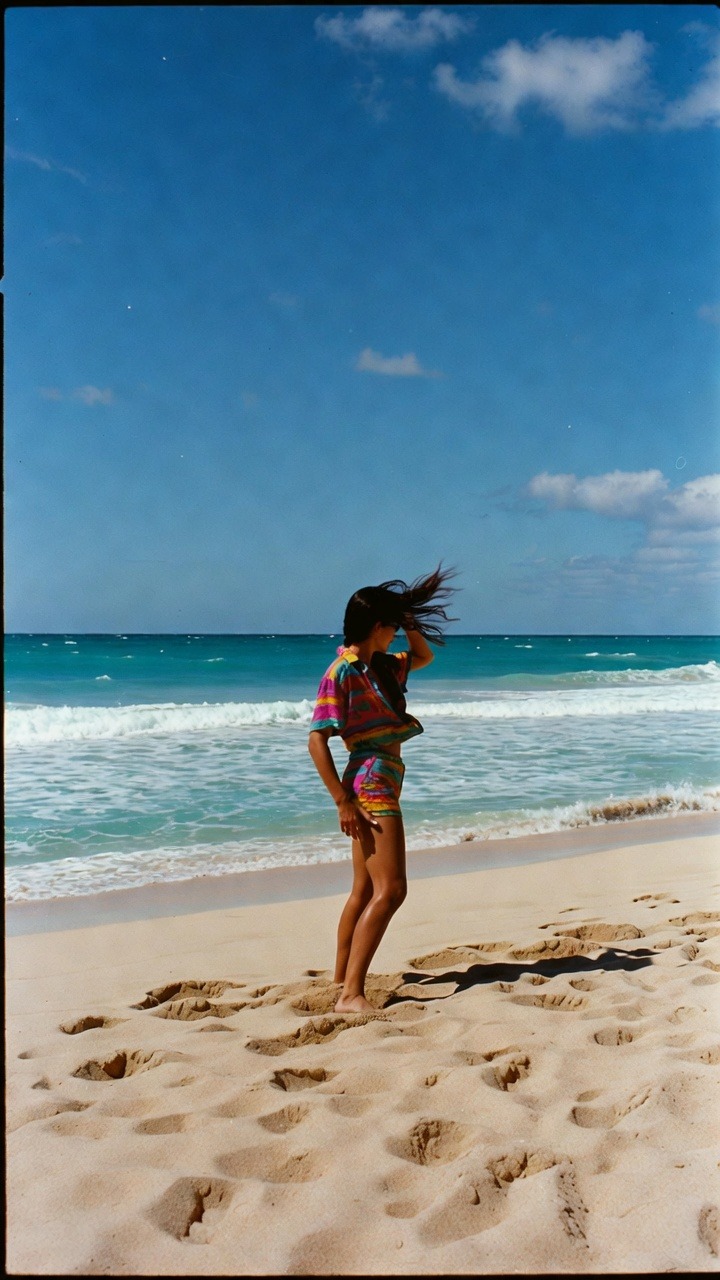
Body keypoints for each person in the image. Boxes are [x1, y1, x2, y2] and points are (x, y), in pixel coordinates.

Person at [308, 565, 457, 1013]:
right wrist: (342, 801)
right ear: (376, 627)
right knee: (391, 890)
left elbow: (425, 656)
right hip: (369, 780)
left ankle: (340, 981)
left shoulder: (383, 667)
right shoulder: (343, 671)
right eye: (392, 625)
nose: (396, 634)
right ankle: (352, 995)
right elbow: (317, 737)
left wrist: (410, 622)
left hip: (382, 774)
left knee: (364, 890)